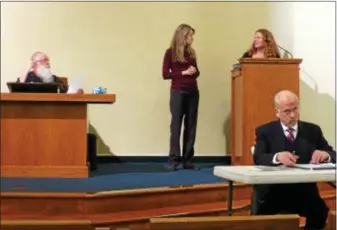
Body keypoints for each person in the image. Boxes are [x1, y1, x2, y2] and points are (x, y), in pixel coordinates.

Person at [253, 90, 336, 230]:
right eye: (287, 111)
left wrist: (325, 155)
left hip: (304, 192)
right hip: (274, 192)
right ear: (277, 112)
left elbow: (332, 153)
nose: (292, 115)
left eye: (295, 109)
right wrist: (277, 157)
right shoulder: (265, 131)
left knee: (320, 212)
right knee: (262, 218)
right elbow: (258, 157)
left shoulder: (313, 130)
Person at [162, 24, 200, 171]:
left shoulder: (191, 53)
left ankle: (188, 160)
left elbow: (197, 73)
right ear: (183, 36)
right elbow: (165, 74)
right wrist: (183, 73)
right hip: (178, 92)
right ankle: (174, 160)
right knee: (176, 126)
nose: (192, 38)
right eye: (190, 35)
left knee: (191, 127)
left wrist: (194, 70)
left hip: (193, 92)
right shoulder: (170, 53)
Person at [19, 51, 83, 94]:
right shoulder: (27, 77)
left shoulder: (55, 79)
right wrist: (28, 68)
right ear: (33, 64)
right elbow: (17, 89)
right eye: (43, 60)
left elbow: (67, 92)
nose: (47, 63)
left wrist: (76, 91)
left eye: (47, 60)